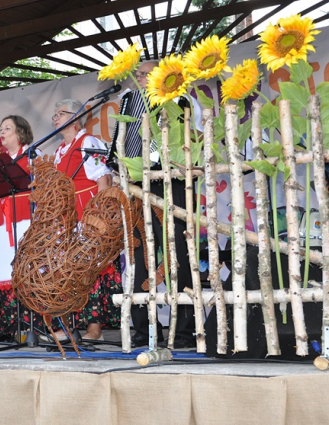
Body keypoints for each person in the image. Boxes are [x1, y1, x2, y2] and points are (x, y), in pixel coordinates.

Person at [124, 61, 199, 348]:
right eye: (139, 74)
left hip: (173, 183)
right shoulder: (130, 103)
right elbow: (126, 140)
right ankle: (144, 329)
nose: (139, 78)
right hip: (139, 185)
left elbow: (188, 136)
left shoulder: (180, 98)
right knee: (140, 254)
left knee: (177, 252)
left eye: (144, 74)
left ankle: (182, 331)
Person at [52, 98, 113, 341]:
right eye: (54, 115)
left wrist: (97, 218)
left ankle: (94, 329)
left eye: (60, 113)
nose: (55, 118)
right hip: (66, 218)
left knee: (90, 270)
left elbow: (104, 181)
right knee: (68, 271)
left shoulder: (88, 142)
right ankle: (68, 327)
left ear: (75, 118)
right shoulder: (58, 151)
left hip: (87, 215)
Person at [0, 115, 40, 339]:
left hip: (26, 220)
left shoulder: (33, 155)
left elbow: (42, 190)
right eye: (1, 128)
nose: (2, 132)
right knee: (4, 271)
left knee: (26, 270)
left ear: (20, 133)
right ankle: (7, 324)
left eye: (7, 128)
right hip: (3, 224)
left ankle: (30, 324)